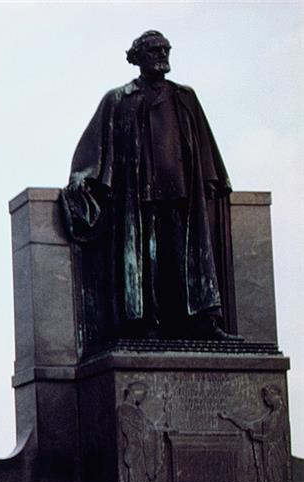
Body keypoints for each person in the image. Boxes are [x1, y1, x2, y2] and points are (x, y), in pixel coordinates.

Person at [61, 30, 234, 343]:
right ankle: (147, 323)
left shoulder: (184, 97)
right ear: (138, 57)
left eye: (165, 49)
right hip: (139, 197)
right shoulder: (119, 98)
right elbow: (94, 145)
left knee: (186, 260)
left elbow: (205, 147)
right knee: (146, 264)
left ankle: (199, 321)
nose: (161, 54)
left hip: (182, 193)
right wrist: (82, 175)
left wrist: (212, 180)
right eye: (154, 50)